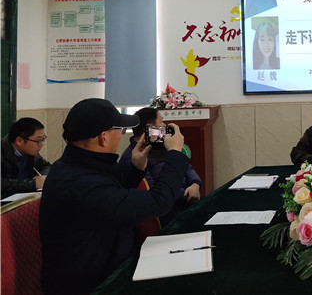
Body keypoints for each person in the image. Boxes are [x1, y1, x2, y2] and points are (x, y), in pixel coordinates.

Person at [39, 98, 189, 295]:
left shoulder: (78, 164)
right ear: (103, 138)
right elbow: (159, 201)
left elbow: (112, 197)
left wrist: (136, 168)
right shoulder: (78, 184)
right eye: (120, 130)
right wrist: (176, 153)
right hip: (92, 285)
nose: (122, 134)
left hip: (106, 266)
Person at [119, 107, 202, 225]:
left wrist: (195, 184)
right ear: (150, 128)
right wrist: (187, 194)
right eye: (162, 122)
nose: (165, 126)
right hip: (167, 212)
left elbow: (186, 166)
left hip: (185, 201)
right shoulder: (133, 157)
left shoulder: (161, 143)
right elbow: (152, 192)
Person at [1, 117, 51, 198]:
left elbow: (46, 166)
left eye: (43, 139)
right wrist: (32, 183)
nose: (42, 144)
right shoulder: (2, 151)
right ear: (19, 141)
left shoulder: (30, 153)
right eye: (38, 141)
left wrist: (41, 178)